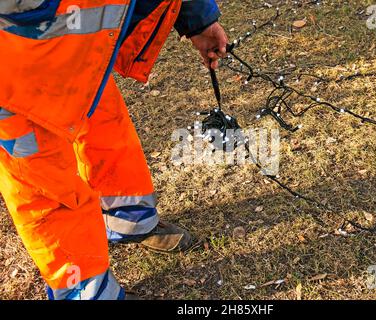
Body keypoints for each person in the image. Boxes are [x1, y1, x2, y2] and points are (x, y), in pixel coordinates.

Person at [0, 0, 228, 300]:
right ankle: (87, 292)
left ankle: (128, 218)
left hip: (77, 48)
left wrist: (196, 19)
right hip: (14, 65)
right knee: (45, 184)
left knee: (105, 124)